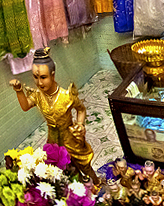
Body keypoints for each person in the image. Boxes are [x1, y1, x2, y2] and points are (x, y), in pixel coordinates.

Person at [8, 47, 101, 188]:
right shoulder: (38, 96)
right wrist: (19, 91)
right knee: (61, 166)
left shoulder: (66, 96)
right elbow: (26, 106)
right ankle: (77, 188)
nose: (39, 83)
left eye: (43, 77)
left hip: (70, 136)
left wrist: (80, 125)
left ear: (52, 75)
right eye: (35, 77)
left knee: (83, 163)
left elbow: (81, 109)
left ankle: (97, 182)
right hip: (53, 139)